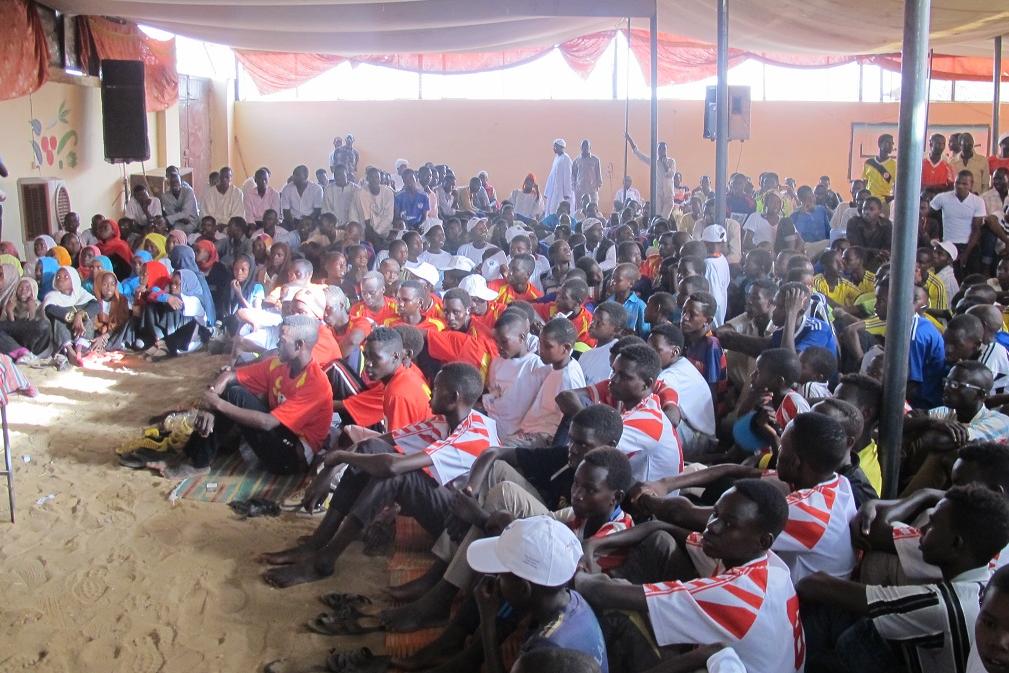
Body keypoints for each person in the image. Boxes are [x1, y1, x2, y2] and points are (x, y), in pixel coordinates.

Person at [260, 363, 497, 588]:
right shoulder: (444, 421)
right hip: (447, 505)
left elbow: (393, 467)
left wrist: (339, 457)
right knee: (370, 449)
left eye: (436, 388)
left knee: (398, 475)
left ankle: (325, 560)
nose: (430, 394)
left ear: (453, 398)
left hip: (460, 527)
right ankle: (318, 542)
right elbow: (373, 444)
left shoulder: (473, 435)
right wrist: (331, 468)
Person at [574, 479, 803, 673]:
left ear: (763, 541)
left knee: (619, 612)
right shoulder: (767, 563)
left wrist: (574, 566)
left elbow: (599, 592)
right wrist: (594, 543)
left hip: (721, 660)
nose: (713, 527)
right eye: (715, 514)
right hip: (734, 657)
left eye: (729, 524)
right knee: (662, 543)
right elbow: (659, 527)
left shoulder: (738, 593)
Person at [799, 485, 1009, 673]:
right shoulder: (986, 584)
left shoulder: (941, 605)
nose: (922, 530)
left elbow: (815, 585)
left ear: (956, 544)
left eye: (932, 525)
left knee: (826, 640)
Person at [468, 516, 609, 673]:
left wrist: (487, 622)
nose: (497, 580)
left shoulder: (546, 651)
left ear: (523, 589)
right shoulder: (574, 601)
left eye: (501, 576)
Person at [649, 323, 717, 456]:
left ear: (675, 352)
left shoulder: (669, 376)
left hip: (699, 438)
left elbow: (671, 418)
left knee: (649, 425)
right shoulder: (682, 363)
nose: (649, 354)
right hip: (699, 432)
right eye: (648, 348)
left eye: (656, 350)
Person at [931, 170, 987, 268]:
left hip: (969, 245)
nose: (960, 186)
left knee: (973, 265)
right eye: (957, 183)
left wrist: (966, 253)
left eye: (964, 184)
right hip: (948, 245)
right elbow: (926, 215)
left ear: (971, 185)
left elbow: (976, 230)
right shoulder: (942, 198)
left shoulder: (978, 201)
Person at [626, 133, 675, 219]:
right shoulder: (654, 162)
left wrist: (665, 164)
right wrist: (630, 141)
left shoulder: (671, 162)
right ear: (657, 150)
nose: (662, 151)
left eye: (664, 149)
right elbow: (639, 155)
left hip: (668, 195)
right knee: (658, 217)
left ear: (666, 150)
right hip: (658, 195)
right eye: (660, 149)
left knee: (665, 218)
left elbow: (671, 174)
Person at [359, 166, 396, 240]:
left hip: (385, 229)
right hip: (368, 230)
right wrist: (371, 234)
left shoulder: (388, 192)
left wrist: (377, 232)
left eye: (376, 177)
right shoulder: (363, 192)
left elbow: (389, 217)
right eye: (371, 177)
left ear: (380, 179)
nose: (374, 180)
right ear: (367, 179)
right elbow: (366, 217)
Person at [862, 133, 896, 208]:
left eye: (892, 144)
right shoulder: (869, 163)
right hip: (869, 201)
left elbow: (896, 186)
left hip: (884, 203)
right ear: (880, 144)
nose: (891, 146)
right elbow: (864, 183)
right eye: (888, 143)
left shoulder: (894, 165)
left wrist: (892, 199)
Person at [544, 139, 574, 218]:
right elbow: (551, 176)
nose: (554, 148)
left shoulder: (566, 159)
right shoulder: (557, 158)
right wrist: (547, 191)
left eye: (555, 146)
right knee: (551, 209)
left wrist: (567, 193)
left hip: (562, 193)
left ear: (561, 147)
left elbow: (568, 177)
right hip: (553, 191)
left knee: (558, 210)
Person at [572, 139, 602, 207]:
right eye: (583, 146)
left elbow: (598, 175)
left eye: (586, 146)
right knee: (579, 210)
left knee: (593, 209)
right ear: (581, 148)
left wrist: (597, 186)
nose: (585, 148)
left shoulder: (595, 160)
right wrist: (574, 187)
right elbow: (573, 175)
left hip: (592, 191)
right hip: (580, 191)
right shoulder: (576, 161)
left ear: (590, 147)